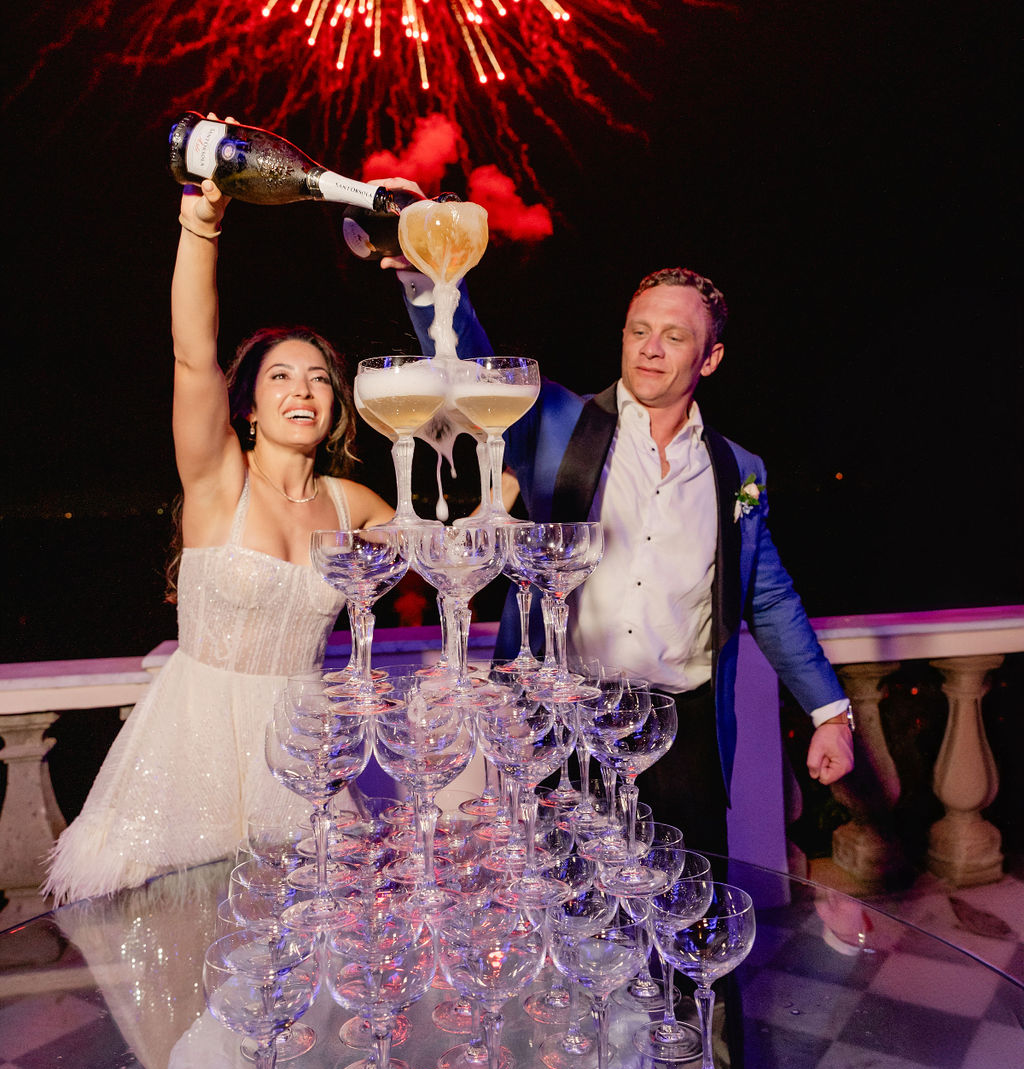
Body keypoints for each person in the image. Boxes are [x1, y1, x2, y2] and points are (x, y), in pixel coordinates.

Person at [45, 149, 405, 906]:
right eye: (281, 376)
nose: (302, 389)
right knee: (181, 964)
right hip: (190, 750)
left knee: (301, 973)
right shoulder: (219, 482)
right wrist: (199, 230)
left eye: (319, 380)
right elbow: (191, 354)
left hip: (301, 754)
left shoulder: (354, 504)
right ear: (248, 404)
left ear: (337, 407)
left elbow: (434, 547)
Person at [395, 263, 854, 854]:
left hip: (680, 734)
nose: (651, 350)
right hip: (562, 723)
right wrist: (426, 281)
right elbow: (471, 372)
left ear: (709, 359)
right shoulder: (558, 423)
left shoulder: (737, 469)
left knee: (686, 919)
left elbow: (766, 599)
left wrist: (830, 713)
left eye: (675, 336)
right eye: (639, 331)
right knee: (567, 917)